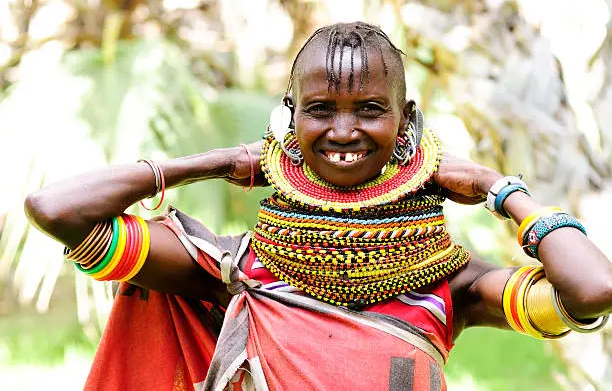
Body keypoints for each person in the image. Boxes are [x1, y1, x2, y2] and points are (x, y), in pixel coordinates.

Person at [25, 22, 612, 391]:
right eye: (321, 109)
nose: (344, 131)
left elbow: (592, 293)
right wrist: (218, 159)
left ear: (406, 121)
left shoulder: (448, 281)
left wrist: (500, 189)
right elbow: (56, 210)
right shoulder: (244, 268)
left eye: (371, 110)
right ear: (290, 114)